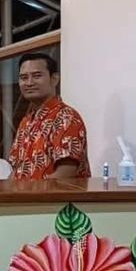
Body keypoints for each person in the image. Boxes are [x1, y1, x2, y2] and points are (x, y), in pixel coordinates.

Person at [8, 52, 91, 180]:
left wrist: (30, 192)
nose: (29, 83)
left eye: (37, 76)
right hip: (24, 193)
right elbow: (16, 170)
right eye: (24, 77)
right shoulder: (26, 121)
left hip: (54, 194)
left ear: (54, 79)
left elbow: (65, 174)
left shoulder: (66, 117)